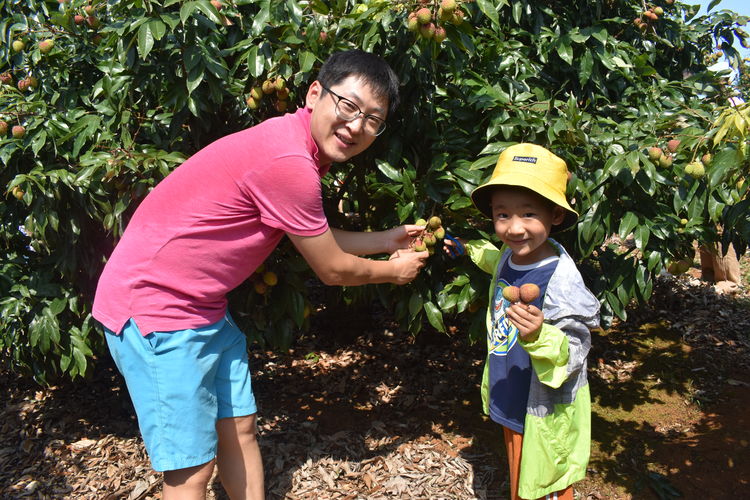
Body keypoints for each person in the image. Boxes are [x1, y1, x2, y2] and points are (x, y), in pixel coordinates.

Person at [92, 50, 428, 500]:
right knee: (192, 468)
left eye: (373, 118)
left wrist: (386, 240)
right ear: (315, 94)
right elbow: (331, 268)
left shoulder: (293, 147)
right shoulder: (288, 162)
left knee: (240, 429)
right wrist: (393, 272)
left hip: (201, 307)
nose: (356, 125)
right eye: (348, 106)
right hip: (156, 310)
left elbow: (316, 236)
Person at [444, 143, 600, 500]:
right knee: (519, 464)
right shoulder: (511, 256)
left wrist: (539, 335)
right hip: (509, 386)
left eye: (528, 214)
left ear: (555, 215)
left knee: (549, 474)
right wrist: (466, 247)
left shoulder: (560, 278)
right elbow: (495, 262)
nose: (514, 228)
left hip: (544, 400)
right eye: (503, 215)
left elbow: (576, 347)